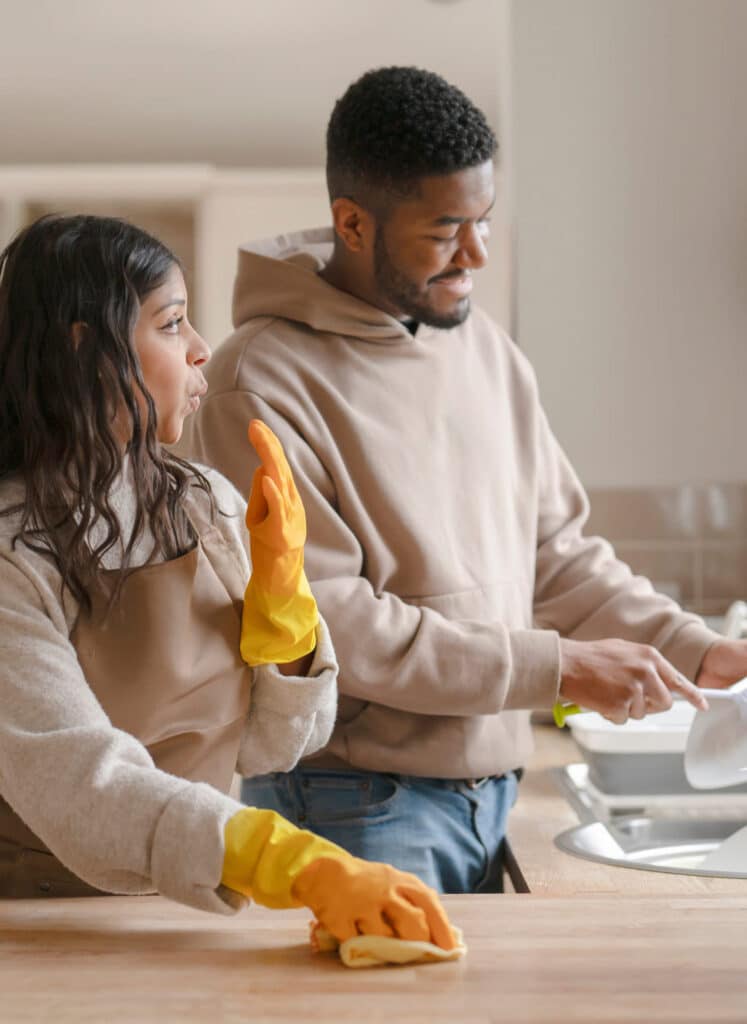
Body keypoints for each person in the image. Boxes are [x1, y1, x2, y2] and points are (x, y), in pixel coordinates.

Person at [176, 66, 747, 894]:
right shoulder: (259, 383)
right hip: (351, 801)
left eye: (481, 220)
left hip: (490, 795)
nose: (476, 253)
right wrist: (557, 669)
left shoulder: (486, 352)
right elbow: (330, 625)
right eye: (445, 230)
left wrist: (697, 650)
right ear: (353, 224)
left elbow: (559, 559)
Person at [0, 213, 455, 952]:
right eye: (172, 323)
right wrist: (285, 859)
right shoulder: (12, 554)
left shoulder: (199, 501)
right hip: (44, 928)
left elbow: (274, 747)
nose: (202, 348)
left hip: (196, 903)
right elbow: (76, 780)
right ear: (82, 349)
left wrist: (285, 606)